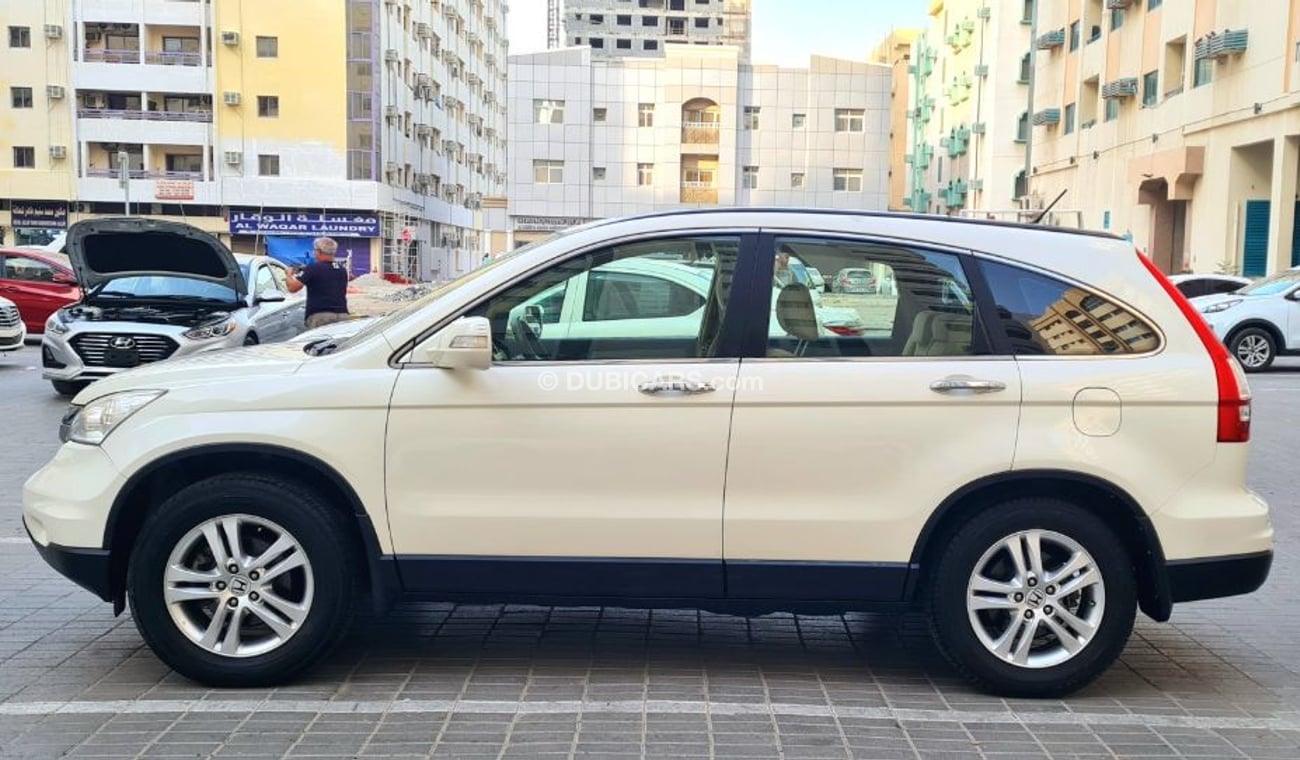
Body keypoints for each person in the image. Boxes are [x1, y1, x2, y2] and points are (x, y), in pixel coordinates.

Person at [285, 237, 351, 329]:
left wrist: (288, 275)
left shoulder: (313, 268)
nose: (314, 253)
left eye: (314, 250)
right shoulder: (341, 270)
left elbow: (292, 288)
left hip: (321, 316)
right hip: (342, 314)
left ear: (319, 251)